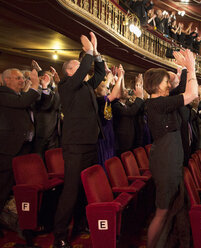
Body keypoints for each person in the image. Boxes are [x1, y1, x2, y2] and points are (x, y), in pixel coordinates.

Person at [53, 32, 105, 248]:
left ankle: (81, 224)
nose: (85, 67)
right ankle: (60, 235)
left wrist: (97, 54)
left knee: (85, 187)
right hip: (75, 147)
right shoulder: (66, 86)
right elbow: (86, 67)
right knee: (71, 190)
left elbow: (100, 73)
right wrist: (88, 52)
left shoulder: (85, 86)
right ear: (70, 71)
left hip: (90, 143)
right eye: (79, 65)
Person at [144, 49, 198, 248]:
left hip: (171, 159)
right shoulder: (156, 104)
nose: (169, 84)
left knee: (170, 208)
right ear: (157, 84)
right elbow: (192, 93)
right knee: (162, 211)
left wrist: (184, 69)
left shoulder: (163, 102)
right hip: (165, 161)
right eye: (166, 81)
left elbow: (182, 87)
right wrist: (191, 68)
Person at [0, 68, 40, 236]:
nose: (21, 80)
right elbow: (23, 102)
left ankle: (22, 223)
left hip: (23, 149)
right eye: (18, 78)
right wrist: (35, 84)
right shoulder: (3, 93)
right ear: (6, 80)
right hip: (8, 150)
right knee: (3, 187)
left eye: (22, 78)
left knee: (22, 188)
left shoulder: (18, 95)